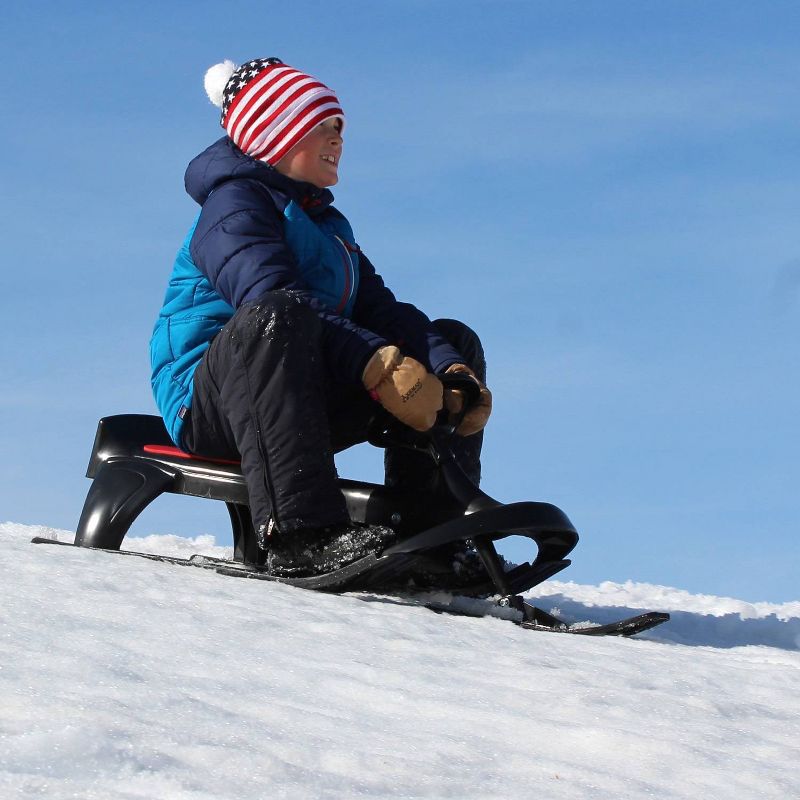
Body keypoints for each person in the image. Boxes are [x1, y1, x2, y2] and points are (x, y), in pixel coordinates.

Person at [150, 57, 492, 578]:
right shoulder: (234, 206)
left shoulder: (328, 225)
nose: (337, 140)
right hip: (215, 403)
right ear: (276, 133)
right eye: (321, 128)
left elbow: (384, 309)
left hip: (301, 396)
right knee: (277, 314)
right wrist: (376, 363)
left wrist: (447, 368)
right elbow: (267, 298)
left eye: (339, 129)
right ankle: (299, 535)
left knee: (449, 338)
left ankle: (431, 537)